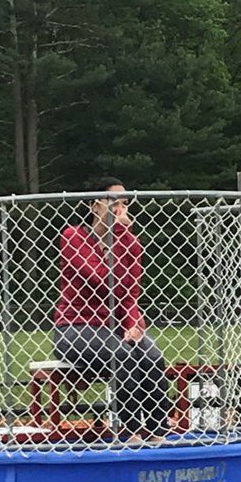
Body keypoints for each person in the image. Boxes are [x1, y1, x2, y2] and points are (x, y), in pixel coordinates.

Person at [54, 177, 171, 441]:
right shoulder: (74, 237)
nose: (120, 209)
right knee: (123, 355)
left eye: (124, 203)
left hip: (115, 326)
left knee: (152, 354)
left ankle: (157, 430)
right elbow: (102, 279)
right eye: (114, 203)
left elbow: (130, 296)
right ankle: (128, 430)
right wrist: (118, 233)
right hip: (77, 327)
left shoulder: (131, 244)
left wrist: (133, 325)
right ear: (96, 206)